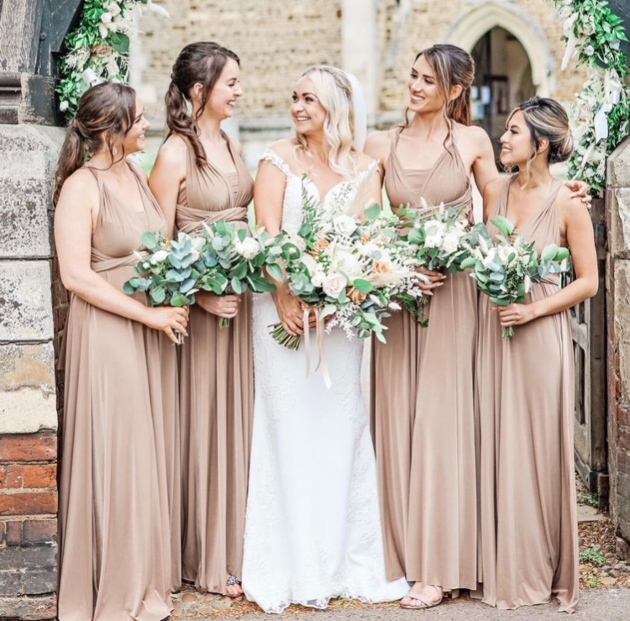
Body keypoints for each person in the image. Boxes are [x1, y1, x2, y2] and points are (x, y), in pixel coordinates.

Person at [364, 43, 590, 609]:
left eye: (426, 79)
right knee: (397, 425)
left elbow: (502, 201)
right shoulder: (378, 143)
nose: (413, 85)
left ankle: (443, 562)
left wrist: (569, 192)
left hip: (458, 300)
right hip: (399, 295)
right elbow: (362, 219)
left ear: (455, 91)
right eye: (411, 74)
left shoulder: (472, 143)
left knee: (446, 428)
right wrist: (392, 265)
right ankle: (398, 554)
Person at [241, 65, 409, 613]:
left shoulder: (367, 171)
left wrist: (340, 299)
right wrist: (288, 296)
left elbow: (368, 247)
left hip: (338, 327)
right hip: (279, 316)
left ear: (335, 106)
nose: (297, 107)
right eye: (293, 98)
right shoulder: (275, 162)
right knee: (287, 429)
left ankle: (344, 557)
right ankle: (292, 563)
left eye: (308, 99)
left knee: (340, 427)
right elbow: (265, 237)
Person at [54, 82, 188, 621]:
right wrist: (149, 315)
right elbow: (76, 277)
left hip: (146, 328)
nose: (147, 127)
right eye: (138, 121)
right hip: (110, 331)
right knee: (119, 453)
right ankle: (115, 588)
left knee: (144, 451)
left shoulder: (133, 172)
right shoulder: (81, 187)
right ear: (111, 131)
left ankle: (144, 580)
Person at [477, 96, 597, 612]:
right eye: (504, 131)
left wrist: (535, 310)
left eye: (513, 132)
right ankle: (503, 564)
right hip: (494, 331)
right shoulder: (494, 192)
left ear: (540, 144)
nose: (502, 138)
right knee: (498, 444)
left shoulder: (569, 203)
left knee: (538, 449)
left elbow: (589, 282)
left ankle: (542, 569)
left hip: (539, 332)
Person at [149, 42, 253, 597]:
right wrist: (202, 300)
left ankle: (237, 545)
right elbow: (158, 251)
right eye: (230, 82)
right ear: (198, 91)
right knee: (206, 428)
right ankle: (207, 559)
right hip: (204, 314)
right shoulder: (173, 154)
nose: (239, 91)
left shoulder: (231, 142)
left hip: (241, 308)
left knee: (237, 426)